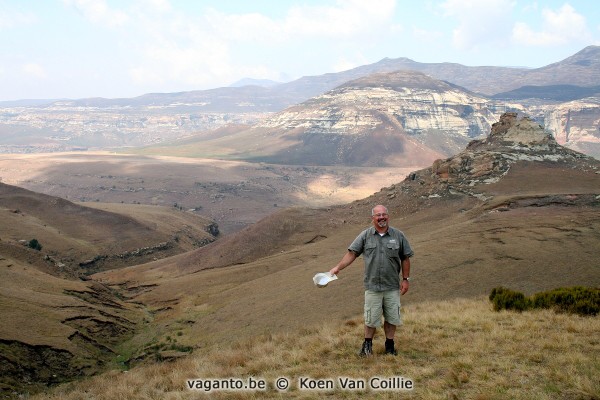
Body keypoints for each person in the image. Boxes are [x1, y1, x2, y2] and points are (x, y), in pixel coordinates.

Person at [329, 204, 413, 356]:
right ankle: (367, 346)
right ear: (373, 218)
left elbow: (405, 258)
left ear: (388, 216)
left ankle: (389, 345)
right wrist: (338, 268)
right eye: (378, 215)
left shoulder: (398, 236)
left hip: (392, 286)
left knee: (392, 317)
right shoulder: (365, 235)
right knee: (371, 318)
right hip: (372, 286)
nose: (381, 217)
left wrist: (405, 279)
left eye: (384, 214)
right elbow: (352, 254)